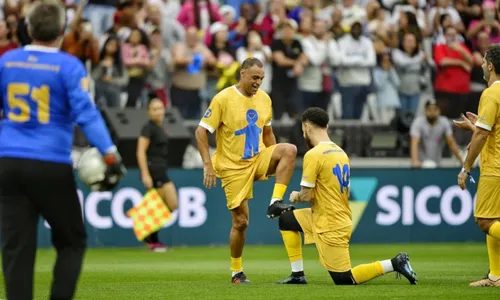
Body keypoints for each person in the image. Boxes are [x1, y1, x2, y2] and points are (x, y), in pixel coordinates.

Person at [0, 1, 126, 299]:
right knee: (72, 241)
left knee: (16, 247)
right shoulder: (69, 65)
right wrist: (109, 152)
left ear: (28, 28)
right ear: (61, 30)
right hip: (49, 162)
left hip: (8, 162)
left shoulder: (7, 61)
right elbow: (86, 113)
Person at [276, 107, 418, 286]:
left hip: (330, 224)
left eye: (303, 129)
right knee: (286, 219)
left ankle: (394, 263)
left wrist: (295, 196)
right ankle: (297, 275)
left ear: (306, 127)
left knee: (344, 279)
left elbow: (306, 195)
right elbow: (347, 191)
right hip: (331, 216)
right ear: (326, 126)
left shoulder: (313, 155)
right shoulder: (341, 153)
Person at [195, 57, 297, 284]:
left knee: (289, 150)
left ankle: (276, 200)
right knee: (241, 222)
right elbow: (201, 132)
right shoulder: (223, 98)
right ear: (242, 75)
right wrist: (207, 165)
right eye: (254, 78)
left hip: (258, 157)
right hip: (232, 167)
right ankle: (236, 272)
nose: (258, 82)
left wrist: (274, 156)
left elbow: (268, 132)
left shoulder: (264, 100)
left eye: (261, 78)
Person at [455, 44, 500, 287]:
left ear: (491, 66)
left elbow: (483, 137)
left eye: (484, 61)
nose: (481, 65)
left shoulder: (491, 93)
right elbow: (492, 132)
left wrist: (466, 168)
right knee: (496, 217)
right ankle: (496, 276)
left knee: (484, 220)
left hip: (495, 168)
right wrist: (476, 126)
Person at [137, 98, 179, 253]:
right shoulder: (148, 128)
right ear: (149, 112)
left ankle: (148, 234)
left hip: (162, 169)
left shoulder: (160, 127)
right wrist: (145, 174)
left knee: (169, 205)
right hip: (154, 170)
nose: (158, 111)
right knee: (162, 205)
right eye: (154, 109)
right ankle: (152, 240)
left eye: (160, 108)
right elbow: (140, 152)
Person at [410, 100, 463, 168]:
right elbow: (414, 142)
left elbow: (451, 142)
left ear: (439, 110)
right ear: (425, 111)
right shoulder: (418, 122)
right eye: (429, 109)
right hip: (421, 164)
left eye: (435, 109)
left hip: (437, 163)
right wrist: (415, 161)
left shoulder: (444, 122)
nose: (432, 112)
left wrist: (462, 162)